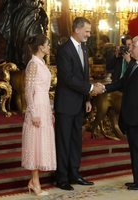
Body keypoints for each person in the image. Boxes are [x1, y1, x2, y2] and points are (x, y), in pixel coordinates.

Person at [54, 17, 104, 191]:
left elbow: (83, 75)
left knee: (76, 141)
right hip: (65, 105)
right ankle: (61, 178)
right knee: (63, 141)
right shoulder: (64, 50)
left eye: (90, 32)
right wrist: (90, 88)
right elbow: (68, 79)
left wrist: (88, 98)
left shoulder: (84, 48)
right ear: (77, 29)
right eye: (87, 31)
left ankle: (74, 174)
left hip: (80, 103)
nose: (89, 35)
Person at [21, 34, 56, 196]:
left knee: (42, 143)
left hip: (44, 105)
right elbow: (28, 91)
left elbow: (44, 89)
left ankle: (33, 181)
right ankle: (35, 182)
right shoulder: (33, 64)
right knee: (35, 144)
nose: (49, 47)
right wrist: (33, 112)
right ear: (41, 47)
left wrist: (50, 108)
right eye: (48, 44)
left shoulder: (41, 63)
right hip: (36, 107)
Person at [104, 35, 138, 190]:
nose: (130, 49)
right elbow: (121, 83)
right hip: (131, 116)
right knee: (134, 150)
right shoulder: (133, 65)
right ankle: (136, 180)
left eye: (133, 47)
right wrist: (103, 88)